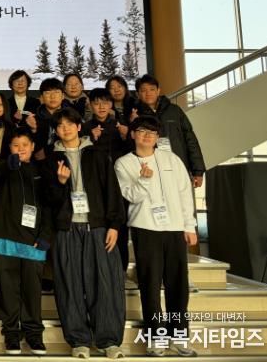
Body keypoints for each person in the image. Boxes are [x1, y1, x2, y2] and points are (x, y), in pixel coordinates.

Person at [114, 116, 198, 357]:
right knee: (150, 285)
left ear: (157, 136)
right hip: (145, 228)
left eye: (152, 132)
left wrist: (189, 225)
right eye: (142, 131)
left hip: (174, 228)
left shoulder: (172, 159)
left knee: (178, 286)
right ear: (133, 134)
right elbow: (130, 196)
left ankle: (179, 336)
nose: (147, 136)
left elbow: (184, 193)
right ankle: (156, 338)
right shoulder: (123, 163)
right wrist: (144, 179)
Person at [47, 108, 126, 359]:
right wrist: (60, 183)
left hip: (97, 227)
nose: (66, 129)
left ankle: (108, 341)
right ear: (56, 131)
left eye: (70, 124)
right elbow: (48, 200)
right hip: (67, 229)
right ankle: (79, 340)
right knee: (70, 285)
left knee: (104, 284)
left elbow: (112, 191)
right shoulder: (50, 159)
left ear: (79, 126)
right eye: (60, 126)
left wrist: (114, 226)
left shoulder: (98, 154)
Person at [0, 128, 52, 356]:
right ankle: (11, 334)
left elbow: (49, 206)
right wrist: (11, 163)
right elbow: (2, 170)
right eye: (16, 145)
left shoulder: (42, 171)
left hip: (34, 241)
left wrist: (46, 235)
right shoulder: (4, 167)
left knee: (32, 291)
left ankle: (34, 334)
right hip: (5, 238)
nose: (21, 149)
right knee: (8, 290)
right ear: (9, 148)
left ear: (33, 146)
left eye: (25, 144)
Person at [81, 88, 133, 273]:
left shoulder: (121, 125)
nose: (101, 107)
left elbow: (133, 152)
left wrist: (126, 136)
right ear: (90, 105)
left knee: (120, 224)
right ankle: (100, 267)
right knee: (100, 225)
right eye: (96, 103)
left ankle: (121, 269)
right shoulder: (85, 128)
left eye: (105, 102)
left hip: (120, 181)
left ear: (111, 104)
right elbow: (81, 155)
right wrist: (91, 138)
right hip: (95, 185)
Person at [133, 74, 205, 188]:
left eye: (152, 89)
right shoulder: (134, 114)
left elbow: (190, 140)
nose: (148, 93)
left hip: (178, 166)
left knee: (181, 198)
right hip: (150, 170)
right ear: (138, 94)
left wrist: (198, 171)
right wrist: (133, 122)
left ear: (158, 91)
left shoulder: (175, 111)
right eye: (143, 90)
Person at [26, 77, 65, 159]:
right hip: (38, 162)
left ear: (63, 96)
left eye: (56, 92)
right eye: (47, 93)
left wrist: (47, 151)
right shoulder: (32, 118)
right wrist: (33, 130)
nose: (52, 96)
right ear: (41, 98)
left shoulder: (71, 116)